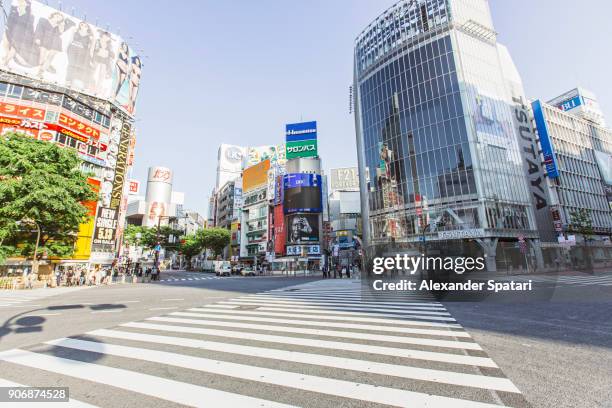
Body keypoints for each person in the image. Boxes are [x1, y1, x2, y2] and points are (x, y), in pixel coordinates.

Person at [66, 21, 93, 89]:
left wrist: (90, 55)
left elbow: (90, 46)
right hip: (72, 49)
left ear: (88, 27)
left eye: (85, 25)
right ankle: (68, 80)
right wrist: (67, 47)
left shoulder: (90, 36)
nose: (83, 26)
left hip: (82, 52)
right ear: (80, 25)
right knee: (71, 64)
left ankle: (73, 80)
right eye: (82, 25)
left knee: (77, 66)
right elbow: (70, 39)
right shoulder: (75, 31)